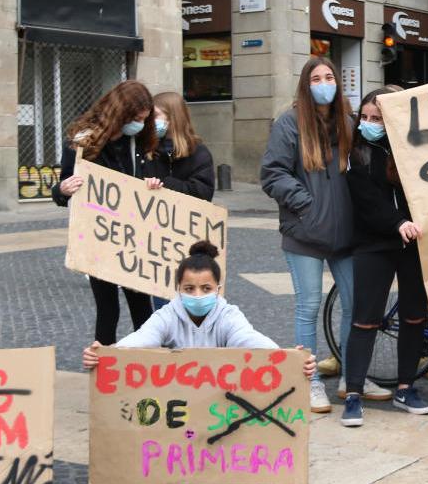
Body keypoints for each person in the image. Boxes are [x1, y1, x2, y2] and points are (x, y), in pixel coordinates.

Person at [260, 56, 391, 412]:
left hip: (346, 233)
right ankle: (310, 380)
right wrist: (308, 205)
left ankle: (352, 377)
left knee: (354, 304)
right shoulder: (289, 123)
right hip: (304, 231)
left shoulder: (348, 122)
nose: (324, 82)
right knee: (308, 307)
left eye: (329, 76)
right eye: (316, 77)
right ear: (306, 84)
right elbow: (272, 173)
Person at [82, 241, 317, 381]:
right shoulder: (167, 316)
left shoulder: (229, 316)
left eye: (206, 288)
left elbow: (251, 340)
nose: (197, 295)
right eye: (189, 288)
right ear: (178, 289)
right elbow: (141, 339)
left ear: (218, 289)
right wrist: (105, 354)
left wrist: (291, 359)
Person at [338, 86, 428, 427]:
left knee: (414, 316)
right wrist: (398, 222)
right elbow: (367, 203)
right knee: (365, 319)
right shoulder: (357, 153)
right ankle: (353, 393)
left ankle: (406, 387)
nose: (368, 123)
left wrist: (409, 222)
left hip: (413, 242)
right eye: (364, 117)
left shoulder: (414, 148)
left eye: (376, 118)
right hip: (373, 243)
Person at [53, 80, 158, 345]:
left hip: (133, 235)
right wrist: (64, 189)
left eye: (143, 119)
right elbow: (63, 188)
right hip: (99, 235)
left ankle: (147, 361)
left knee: (142, 305)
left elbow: (147, 179)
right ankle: (106, 364)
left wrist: (151, 184)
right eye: (135, 118)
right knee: (107, 307)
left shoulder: (137, 142)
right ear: (119, 112)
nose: (139, 124)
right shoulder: (82, 141)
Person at [146, 91, 216, 310]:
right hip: (157, 238)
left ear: (172, 117)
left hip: (188, 237)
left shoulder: (199, 153)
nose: (151, 122)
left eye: (156, 115)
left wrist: (166, 184)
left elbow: (203, 192)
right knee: (161, 301)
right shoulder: (148, 151)